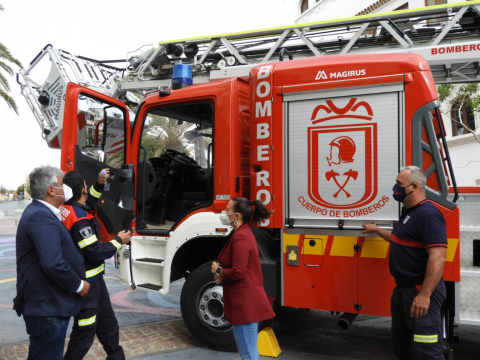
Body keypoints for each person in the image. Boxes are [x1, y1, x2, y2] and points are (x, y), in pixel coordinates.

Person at [362, 166, 448, 360]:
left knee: (426, 351)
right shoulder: (410, 212)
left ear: (414, 187)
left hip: (419, 290)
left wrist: (425, 295)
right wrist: (376, 230)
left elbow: (437, 256)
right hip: (403, 290)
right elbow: (398, 237)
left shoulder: (428, 214)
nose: (395, 189)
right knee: (403, 347)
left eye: (399, 185)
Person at [14, 165, 89, 359]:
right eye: (63, 184)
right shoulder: (40, 216)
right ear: (51, 190)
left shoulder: (42, 213)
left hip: (48, 304)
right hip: (47, 307)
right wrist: (78, 285)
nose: (67, 188)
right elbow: (52, 263)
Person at [61, 169, 131, 360]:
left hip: (95, 282)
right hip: (87, 285)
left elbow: (89, 200)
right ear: (83, 190)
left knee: (108, 325)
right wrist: (119, 240)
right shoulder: (80, 219)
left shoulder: (69, 208)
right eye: (86, 186)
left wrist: (99, 183)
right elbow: (94, 251)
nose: (87, 189)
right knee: (84, 333)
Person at [211, 197, 275, 360]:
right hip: (245, 303)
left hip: (244, 305)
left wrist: (219, 272)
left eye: (227, 210)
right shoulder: (243, 233)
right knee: (249, 351)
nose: (224, 213)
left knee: (248, 354)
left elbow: (238, 272)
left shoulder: (241, 237)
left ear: (237, 216)